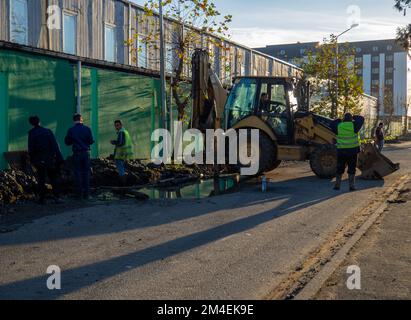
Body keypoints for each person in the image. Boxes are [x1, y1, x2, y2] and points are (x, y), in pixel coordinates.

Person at [28, 116, 64, 204]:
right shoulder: (48, 131)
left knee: (41, 179)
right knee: (53, 178)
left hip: (39, 160)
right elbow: (55, 145)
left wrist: (32, 160)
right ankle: (57, 197)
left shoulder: (31, 133)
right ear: (39, 122)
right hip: (50, 159)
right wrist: (59, 158)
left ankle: (42, 199)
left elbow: (31, 149)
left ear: (31, 123)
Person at [332, 113, 365, 192]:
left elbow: (332, 123)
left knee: (339, 167)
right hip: (352, 151)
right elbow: (361, 118)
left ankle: (337, 185)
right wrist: (354, 117)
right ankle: (351, 186)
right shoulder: (355, 125)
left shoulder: (339, 126)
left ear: (344, 119)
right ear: (351, 119)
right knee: (352, 168)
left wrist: (339, 119)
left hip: (342, 151)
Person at [65, 114, 94, 200]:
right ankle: (87, 194)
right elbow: (91, 141)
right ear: (81, 119)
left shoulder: (71, 130)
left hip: (77, 153)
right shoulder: (87, 129)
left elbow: (67, 142)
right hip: (85, 153)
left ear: (74, 120)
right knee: (86, 173)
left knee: (77, 173)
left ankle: (79, 195)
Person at [111, 120, 134, 186]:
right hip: (125, 153)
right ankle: (125, 184)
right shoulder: (125, 131)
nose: (116, 127)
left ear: (121, 125)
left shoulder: (121, 132)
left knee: (120, 169)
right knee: (122, 168)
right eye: (115, 125)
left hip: (120, 153)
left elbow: (120, 143)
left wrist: (113, 142)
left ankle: (123, 185)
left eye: (118, 125)